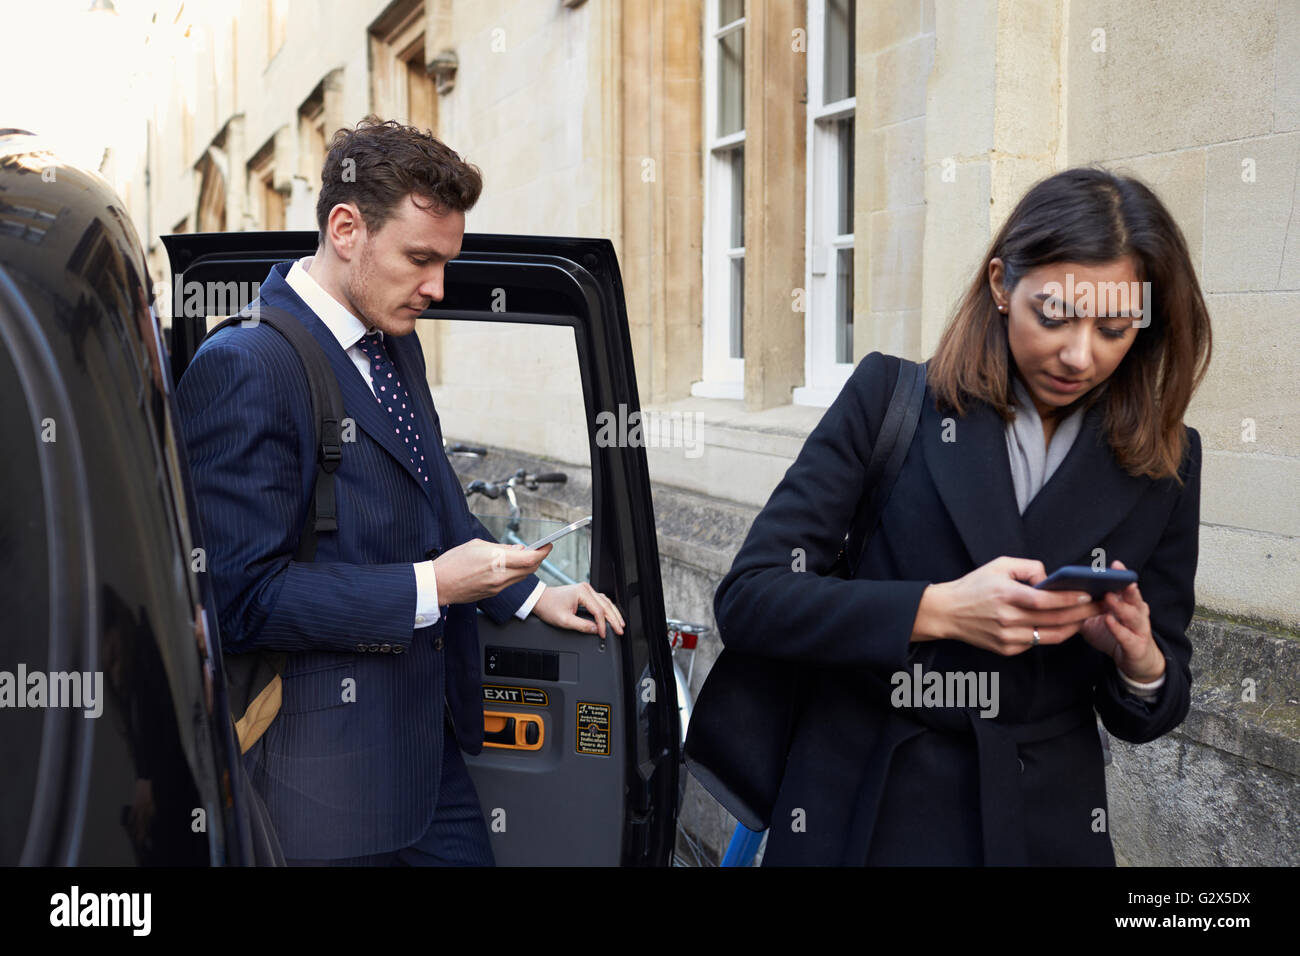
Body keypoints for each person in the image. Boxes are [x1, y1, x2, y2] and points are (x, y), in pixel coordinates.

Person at [712, 166, 1212, 865]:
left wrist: (1140, 659)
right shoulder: (892, 399)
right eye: (1056, 315)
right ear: (1003, 285)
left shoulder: (1167, 460)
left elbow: (1154, 706)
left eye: (1114, 328)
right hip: (863, 802)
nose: (1080, 354)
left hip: (1045, 821)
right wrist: (937, 611)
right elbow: (750, 600)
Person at [176, 116, 624, 866]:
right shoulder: (246, 364)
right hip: (320, 791)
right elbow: (236, 599)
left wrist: (525, 595)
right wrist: (430, 587)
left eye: (447, 261)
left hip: (428, 753)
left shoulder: (394, 343)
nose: (437, 287)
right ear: (346, 228)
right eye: (420, 259)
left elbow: (434, 495)